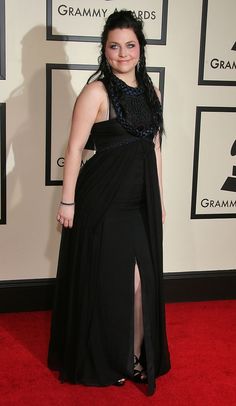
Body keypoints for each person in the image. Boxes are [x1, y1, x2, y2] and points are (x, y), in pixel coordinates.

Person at [47, 10, 171, 396]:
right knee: (111, 283)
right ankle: (112, 358)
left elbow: (155, 147)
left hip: (138, 200)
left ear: (140, 48)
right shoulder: (96, 92)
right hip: (102, 199)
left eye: (130, 45)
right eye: (114, 46)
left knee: (141, 283)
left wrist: (160, 199)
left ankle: (135, 355)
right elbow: (73, 148)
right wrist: (68, 203)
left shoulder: (152, 91)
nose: (123, 53)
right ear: (104, 49)